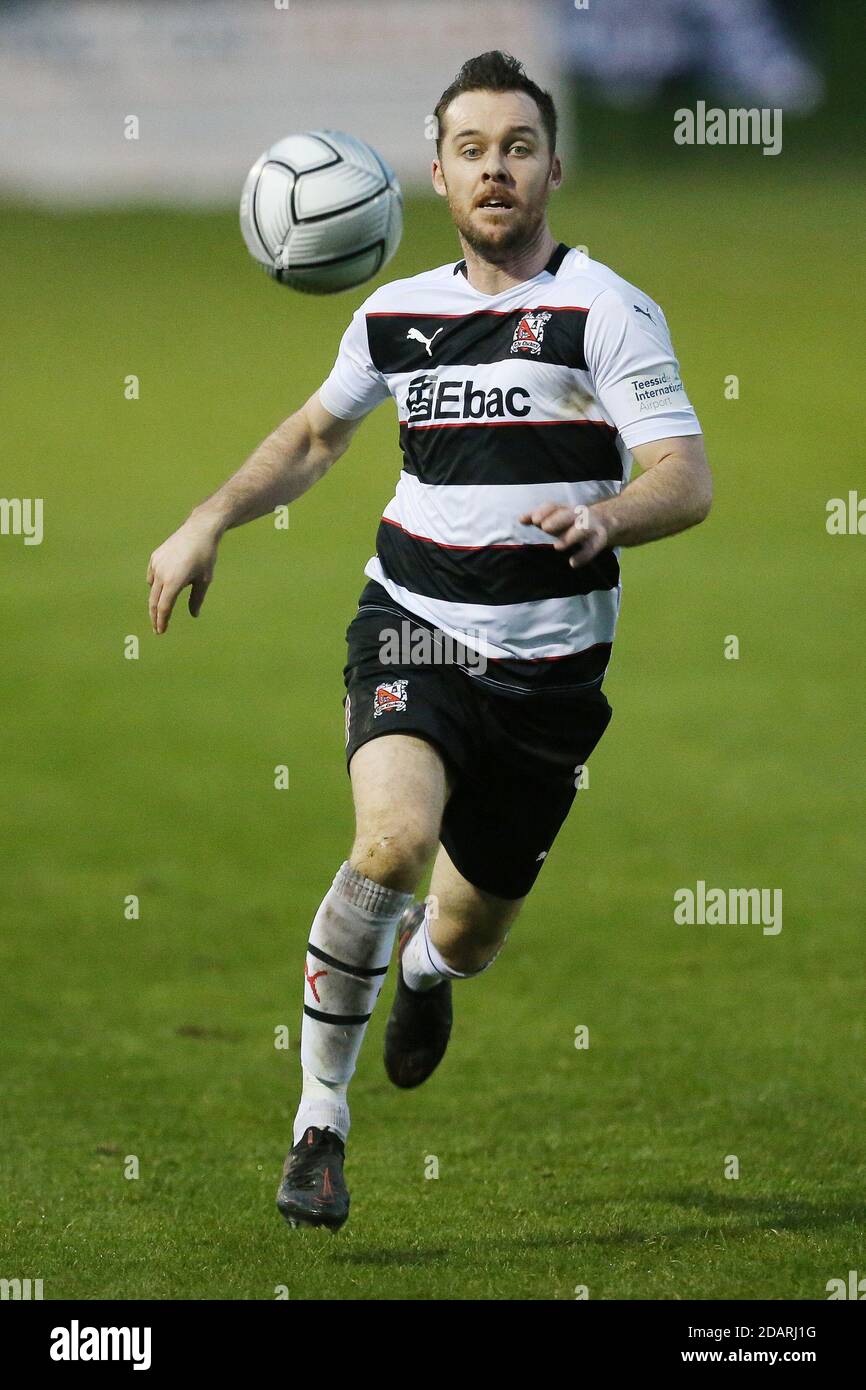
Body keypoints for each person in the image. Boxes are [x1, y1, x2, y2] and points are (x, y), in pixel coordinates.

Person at [146, 51, 712, 1232]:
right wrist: (207, 518)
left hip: (549, 676)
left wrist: (605, 514)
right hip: (413, 625)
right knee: (390, 845)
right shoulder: (396, 314)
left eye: (515, 146)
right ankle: (318, 1125)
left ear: (551, 166)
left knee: (463, 927)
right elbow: (315, 435)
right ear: (438, 174)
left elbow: (685, 479)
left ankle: (422, 976)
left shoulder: (603, 308)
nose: (494, 167)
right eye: (470, 149)